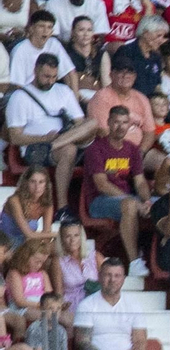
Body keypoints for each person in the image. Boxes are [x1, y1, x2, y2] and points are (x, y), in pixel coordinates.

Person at [7, 53, 97, 212]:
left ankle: (56, 144)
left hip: (61, 140)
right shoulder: (19, 97)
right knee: (69, 149)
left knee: (93, 123)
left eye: (54, 77)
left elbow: (80, 123)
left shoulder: (63, 91)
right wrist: (44, 138)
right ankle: (62, 207)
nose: (50, 81)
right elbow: (15, 137)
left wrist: (62, 138)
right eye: (46, 76)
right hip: (35, 148)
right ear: (35, 71)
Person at [83, 105, 153, 279]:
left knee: (164, 205)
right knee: (129, 205)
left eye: (124, 123)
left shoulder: (132, 149)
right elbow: (102, 184)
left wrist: (147, 202)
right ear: (108, 123)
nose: (120, 127)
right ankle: (135, 262)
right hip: (99, 201)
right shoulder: (96, 148)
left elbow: (140, 181)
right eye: (116, 122)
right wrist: (134, 202)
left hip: (126, 200)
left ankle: (157, 261)